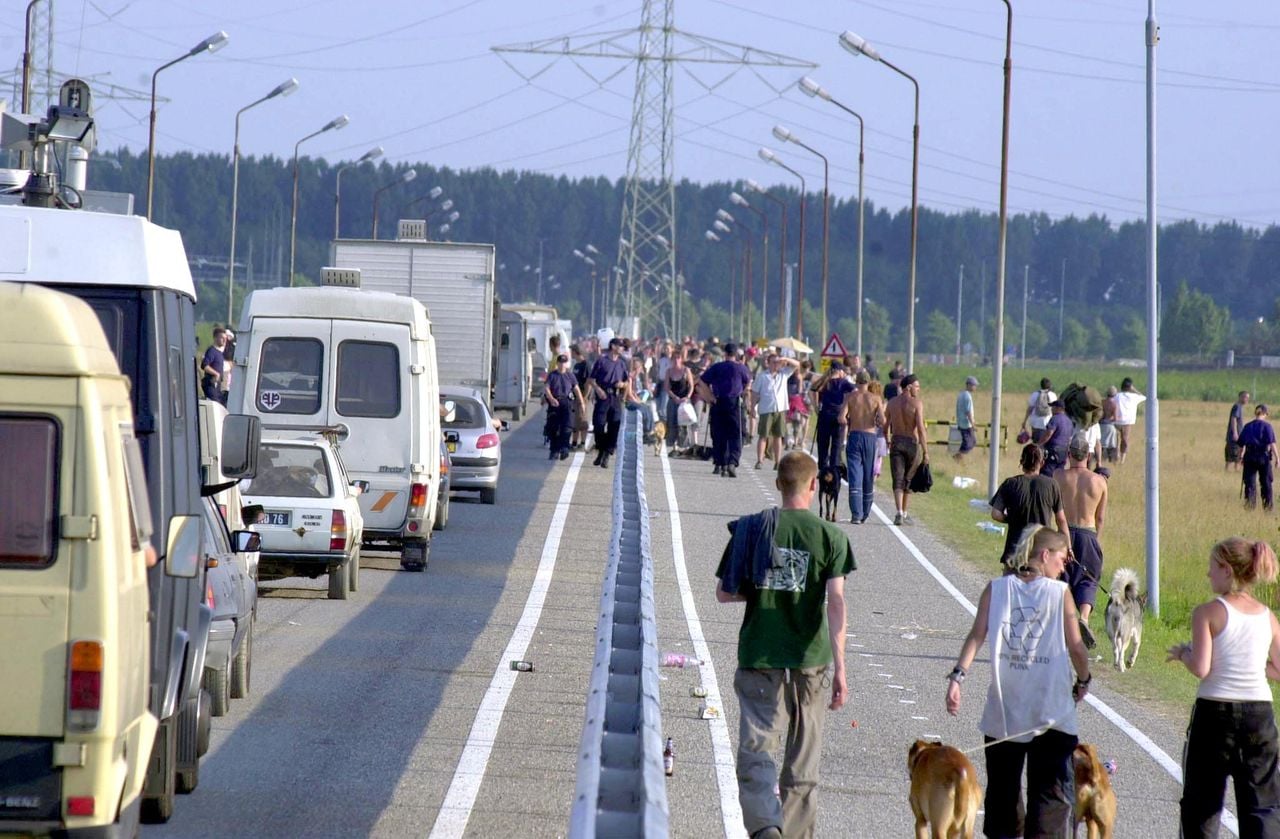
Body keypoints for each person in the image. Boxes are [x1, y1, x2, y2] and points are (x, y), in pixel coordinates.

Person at [715, 452, 856, 839]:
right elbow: (836, 602)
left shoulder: (751, 528)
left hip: (761, 654)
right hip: (810, 660)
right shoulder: (832, 536)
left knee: (758, 751)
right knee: (803, 766)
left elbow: (724, 595)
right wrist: (841, 667)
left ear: (779, 484)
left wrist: (765, 590)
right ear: (814, 485)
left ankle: (764, 828)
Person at [946, 525, 1091, 839]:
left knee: (1003, 796)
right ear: (1044, 554)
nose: (1064, 565)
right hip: (1051, 712)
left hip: (1005, 710)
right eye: (1062, 558)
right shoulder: (1060, 593)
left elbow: (977, 635)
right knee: (1050, 799)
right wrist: (1084, 679)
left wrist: (958, 677)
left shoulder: (997, 588)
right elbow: (1077, 647)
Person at [1168, 537, 1280, 837]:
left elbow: (1202, 668)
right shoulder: (1268, 617)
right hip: (1259, 713)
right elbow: (1279, 669)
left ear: (1227, 570)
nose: (1208, 574)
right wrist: (1254, 668)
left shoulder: (1207, 613)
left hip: (1215, 713)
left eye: (1212, 568)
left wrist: (1183, 654)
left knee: (1202, 805)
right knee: (1262, 806)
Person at [1056, 431, 1108, 649]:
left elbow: (1055, 509)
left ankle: (1063, 624)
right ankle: (1084, 617)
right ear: (1088, 455)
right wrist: (1096, 539)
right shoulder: (1099, 481)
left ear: (1069, 454)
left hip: (1064, 532)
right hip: (1088, 533)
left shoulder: (1059, 476)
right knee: (1089, 579)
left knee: (1061, 579)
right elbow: (1101, 517)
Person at [990, 443, 1070, 569]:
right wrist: (1068, 547)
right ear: (1042, 463)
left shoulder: (1010, 484)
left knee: (1010, 586)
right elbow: (1061, 521)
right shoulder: (1052, 485)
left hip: (1014, 551)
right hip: (1041, 553)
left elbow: (995, 514)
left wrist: (1011, 519)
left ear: (1022, 461)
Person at [698, 343, 753, 478]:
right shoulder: (741, 368)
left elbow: (702, 381)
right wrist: (745, 392)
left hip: (718, 401)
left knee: (718, 433)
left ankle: (720, 462)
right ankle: (732, 462)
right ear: (736, 354)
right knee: (736, 434)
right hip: (734, 403)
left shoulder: (717, 367)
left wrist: (709, 396)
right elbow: (749, 382)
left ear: (725, 354)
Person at [841, 370, 885, 525]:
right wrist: (876, 421)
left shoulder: (851, 397)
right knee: (868, 475)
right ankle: (866, 512)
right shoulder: (876, 399)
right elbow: (882, 419)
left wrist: (849, 420)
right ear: (868, 382)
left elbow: (841, 417)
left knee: (854, 475)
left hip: (854, 436)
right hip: (870, 437)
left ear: (857, 382)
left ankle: (856, 514)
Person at [886, 374, 928, 526]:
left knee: (897, 479)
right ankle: (904, 512)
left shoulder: (892, 403)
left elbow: (885, 426)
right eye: (916, 386)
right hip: (912, 443)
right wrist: (926, 451)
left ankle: (899, 512)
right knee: (908, 480)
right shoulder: (917, 404)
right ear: (909, 387)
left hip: (896, 441)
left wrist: (887, 440)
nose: (918, 389)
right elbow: (921, 429)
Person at [751, 350, 801, 470]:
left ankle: (778, 461)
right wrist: (752, 407)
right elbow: (754, 393)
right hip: (766, 409)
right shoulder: (762, 376)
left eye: (777, 363)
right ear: (768, 363)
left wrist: (785, 359)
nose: (776, 365)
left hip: (780, 408)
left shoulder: (783, 374)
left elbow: (797, 365)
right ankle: (760, 460)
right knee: (763, 435)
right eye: (773, 362)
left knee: (778, 436)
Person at [586, 338, 629, 468]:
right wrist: (598, 390)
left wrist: (622, 384)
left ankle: (606, 454)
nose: (622, 348)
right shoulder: (602, 361)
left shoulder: (622, 363)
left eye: (622, 346)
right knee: (598, 425)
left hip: (615, 397)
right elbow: (591, 379)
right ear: (613, 346)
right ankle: (601, 449)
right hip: (603, 396)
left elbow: (627, 381)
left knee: (614, 428)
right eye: (620, 346)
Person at [810, 362, 856, 473]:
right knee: (836, 445)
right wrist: (848, 408)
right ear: (840, 371)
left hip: (824, 415)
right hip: (838, 416)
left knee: (822, 444)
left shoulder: (824, 381)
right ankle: (834, 470)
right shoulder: (844, 382)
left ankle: (823, 470)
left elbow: (812, 390)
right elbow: (855, 391)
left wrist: (816, 407)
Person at [1237, 404, 1279, 511]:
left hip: (1250, 457)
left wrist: (1240, 457)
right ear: (1265, 414)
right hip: (1263, 458)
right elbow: (1272, 443)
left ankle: (1249, 507)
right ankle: (1268, 508)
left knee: (1250, 484)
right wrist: (1277, 458)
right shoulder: (1267, 426)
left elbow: (1241, 445)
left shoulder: (1248, 426)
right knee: (1266, 483)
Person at [544, 354, 583, 461]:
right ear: (557, 363)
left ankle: (564, 448)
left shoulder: (570, 376)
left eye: (564, 362)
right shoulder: (552, 375)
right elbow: (547, 389)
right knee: (553, 427)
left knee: (567, 427)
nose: (562, 365)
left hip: (567, 402)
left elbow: (576, 389)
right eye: (560, 362)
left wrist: (581, 403)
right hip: (555, 402)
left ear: (567, 364)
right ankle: (554, 450)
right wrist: (551, 399)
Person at [664, 350, 695, 450]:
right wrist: (674, 397)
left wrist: (687, 397)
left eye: (678, 358)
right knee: (672, 422)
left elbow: (691, 385)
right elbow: (667, 387)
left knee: (684, 423)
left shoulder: (686, 370)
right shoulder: (669, 371)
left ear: (681, 359)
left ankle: (685, 445)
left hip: (684, 400)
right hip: (673, 400)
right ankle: (674, 446)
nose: (676, 360)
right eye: (674, 358)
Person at [1036, 399, 1074, 477]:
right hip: (1064, 451)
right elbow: (1070, 439)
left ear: (1058, 408)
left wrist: (1038, 444)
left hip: (1053, 450)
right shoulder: (1069, 421)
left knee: (1047, 473)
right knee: (1060, 473)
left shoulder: (1055, 419)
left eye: (1053, 407)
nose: (1051, 409)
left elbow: (1048, 434)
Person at [1113, 377, 1146, 463]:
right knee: (1125, 440)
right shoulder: (1134, 396)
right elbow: (1144, 397)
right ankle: (1122, 460)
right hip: (1127, 422)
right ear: (1130, 387)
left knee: (1116, 439)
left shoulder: (1117, 396)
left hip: (1116, 421)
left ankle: (1116, 455)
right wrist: (1134, 389)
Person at [200, 327, 229, 404]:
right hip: (211, 384)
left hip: (217, 386)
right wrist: (216, 374)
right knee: (216, 404)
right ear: (215, 338)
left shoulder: (220, 353)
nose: (224, 340)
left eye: (225, 338)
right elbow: (205, 366)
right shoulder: (212, 351)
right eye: (222, 338)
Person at [954, 375, 978, 463]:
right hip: (966, 424)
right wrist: (973, 424)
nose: (975, 387)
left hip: (961, 422)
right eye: (974, 385)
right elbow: (968, 412)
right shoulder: (967, 396)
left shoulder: (961, 394)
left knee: (972, 441)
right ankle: (958, 457)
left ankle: (959, 457)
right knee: (968, 443)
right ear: (968, 385)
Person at [1226, 390, 1251, 471]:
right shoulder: (1237, 406)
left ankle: (1235, 471)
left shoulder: (1240, 407)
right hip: (1234, 437)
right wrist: (1235, 433)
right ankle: (1229, 472)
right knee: (1232, 456)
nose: (1247, 400)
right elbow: (1234, 419)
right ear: (1240, 397)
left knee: (1238, 455)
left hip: (1239, 436)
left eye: (1248, 398)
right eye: (1245, 397)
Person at [1099, 386, 1119, 463]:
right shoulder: (1114, 404)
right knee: (1111, 445)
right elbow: (1115, 418)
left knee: (1100, 444)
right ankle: (1111, 460)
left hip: (1101, 425)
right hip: (1110, 426)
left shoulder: (1102, 402)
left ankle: (1100, 459)